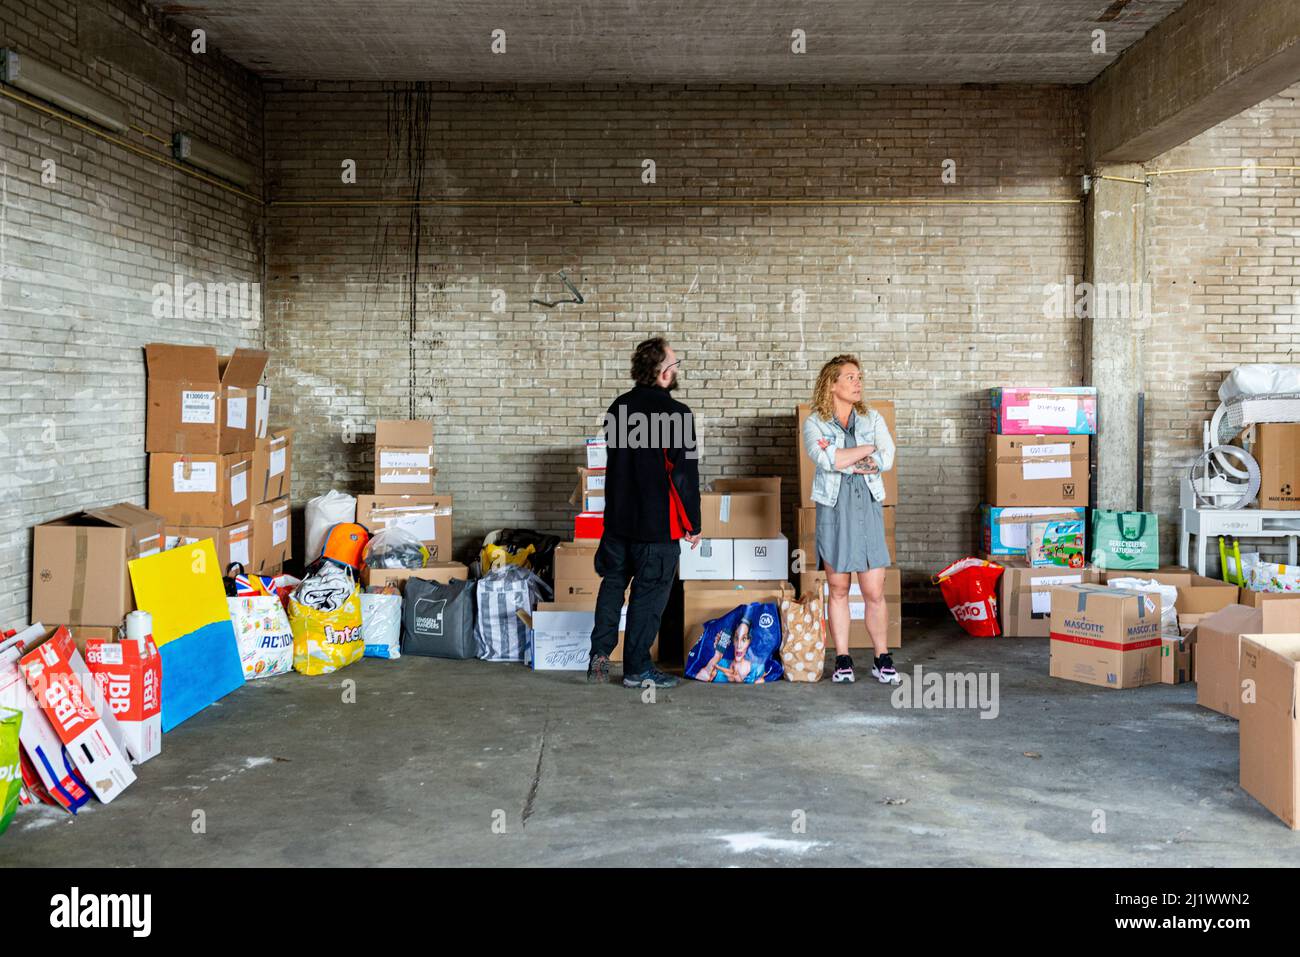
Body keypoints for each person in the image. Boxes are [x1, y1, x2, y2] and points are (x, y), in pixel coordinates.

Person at [587, 337, 702, 688]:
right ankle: (637, 668)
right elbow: (684, 475)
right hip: (657, 527)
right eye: (675, 364)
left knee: (613, 584)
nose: (677, 369)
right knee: (648, 596)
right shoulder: (677, 414)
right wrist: (694, 524)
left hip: (618, 522)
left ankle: (599, 657)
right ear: (663, 372)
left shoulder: (618, 408)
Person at [802, 355, 899, 685]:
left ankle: (881, 657)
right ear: (832, 384)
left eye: (859, 377)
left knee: (874, 590)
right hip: (834, 508)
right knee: (838, 587)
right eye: (850, 377)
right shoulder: (814, 423)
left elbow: (886, 458)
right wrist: (864, 450)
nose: (858, 382)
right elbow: (826, 458)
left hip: (867, 506)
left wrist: (849, 457)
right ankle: (842, 659)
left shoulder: (872, 418)